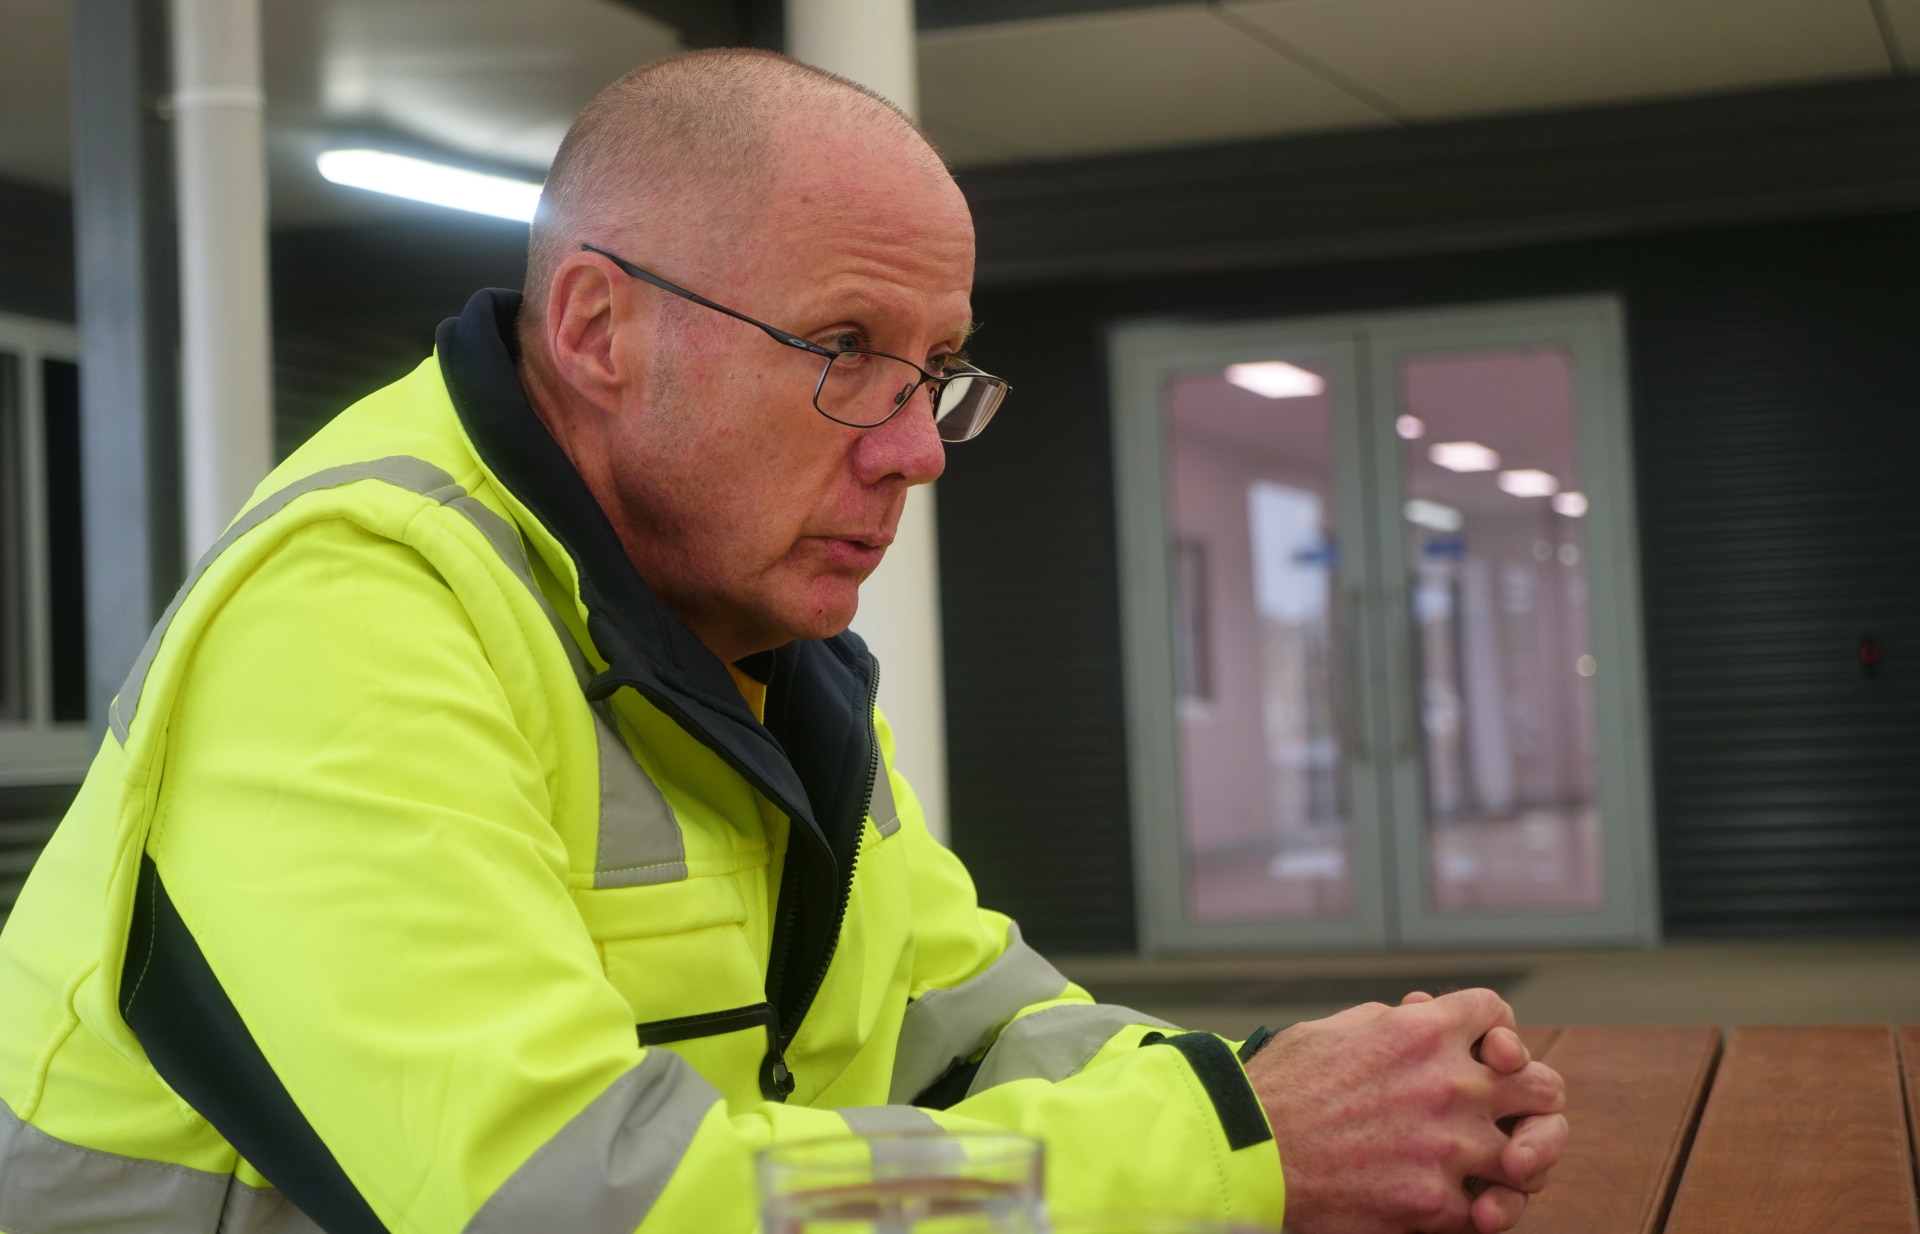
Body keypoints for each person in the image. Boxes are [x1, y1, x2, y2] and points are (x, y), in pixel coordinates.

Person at [0, 49, 1564, 1234]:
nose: (918, 447)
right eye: (843, 349)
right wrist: (1229, 1148)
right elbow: (566, 1201)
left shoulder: (744, 635)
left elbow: (963, 1029)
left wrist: (1302, 1091)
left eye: (937, 369)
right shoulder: (352, 622)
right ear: (598, 329)